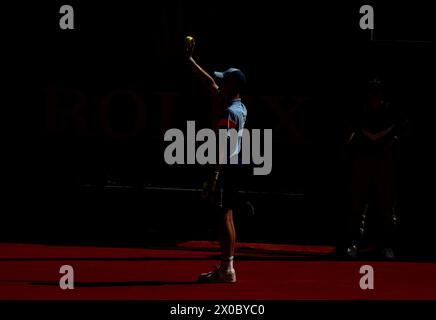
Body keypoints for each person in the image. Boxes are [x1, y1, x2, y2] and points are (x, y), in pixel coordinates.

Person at [186, 36, 247, 283]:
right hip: (233, 166)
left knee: (224, 218)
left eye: (224, 83)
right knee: (227, 216)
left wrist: (214, 175)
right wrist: (190, 60)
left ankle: (226, 269)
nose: (218, 85)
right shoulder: (239, 106)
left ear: (232, 87)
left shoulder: (228, 113)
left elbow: (224, 147)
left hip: (225, 167)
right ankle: (227, 268)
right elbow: (210, 82)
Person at [346, 78, 405, 259]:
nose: (374, 98)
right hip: (362, 160)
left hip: (384, 161)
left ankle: (387, 245)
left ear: (383, 97)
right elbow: (353, 134)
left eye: (378, 94)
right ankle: (354, 243)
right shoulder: (360, 112)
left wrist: (392, 144)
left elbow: (401, 132)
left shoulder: (392, 112)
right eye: (372, 94)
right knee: (357, 203)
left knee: (387, 205)